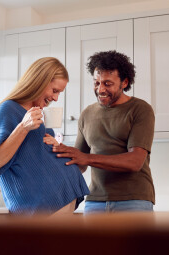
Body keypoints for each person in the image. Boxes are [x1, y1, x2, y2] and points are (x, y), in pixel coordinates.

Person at [53, 51, 155, 214]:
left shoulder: (140, 109)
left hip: (134, 200)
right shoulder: (87, 114)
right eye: (96, 82)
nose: (100, 89)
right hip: (95, 201)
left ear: (124, 82)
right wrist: (56, 153)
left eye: (108, 84)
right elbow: (79, 163)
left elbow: (135, 161)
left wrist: (86, 158)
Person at [0, 57, 89, 215]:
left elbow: (33, 155)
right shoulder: (8, 110)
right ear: (39, 81)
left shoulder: (37, 115)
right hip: (40, 207)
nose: (55, 98)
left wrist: (54, 146)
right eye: (55, 91)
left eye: (59, 93)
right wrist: (23, 127)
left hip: (58, 200)